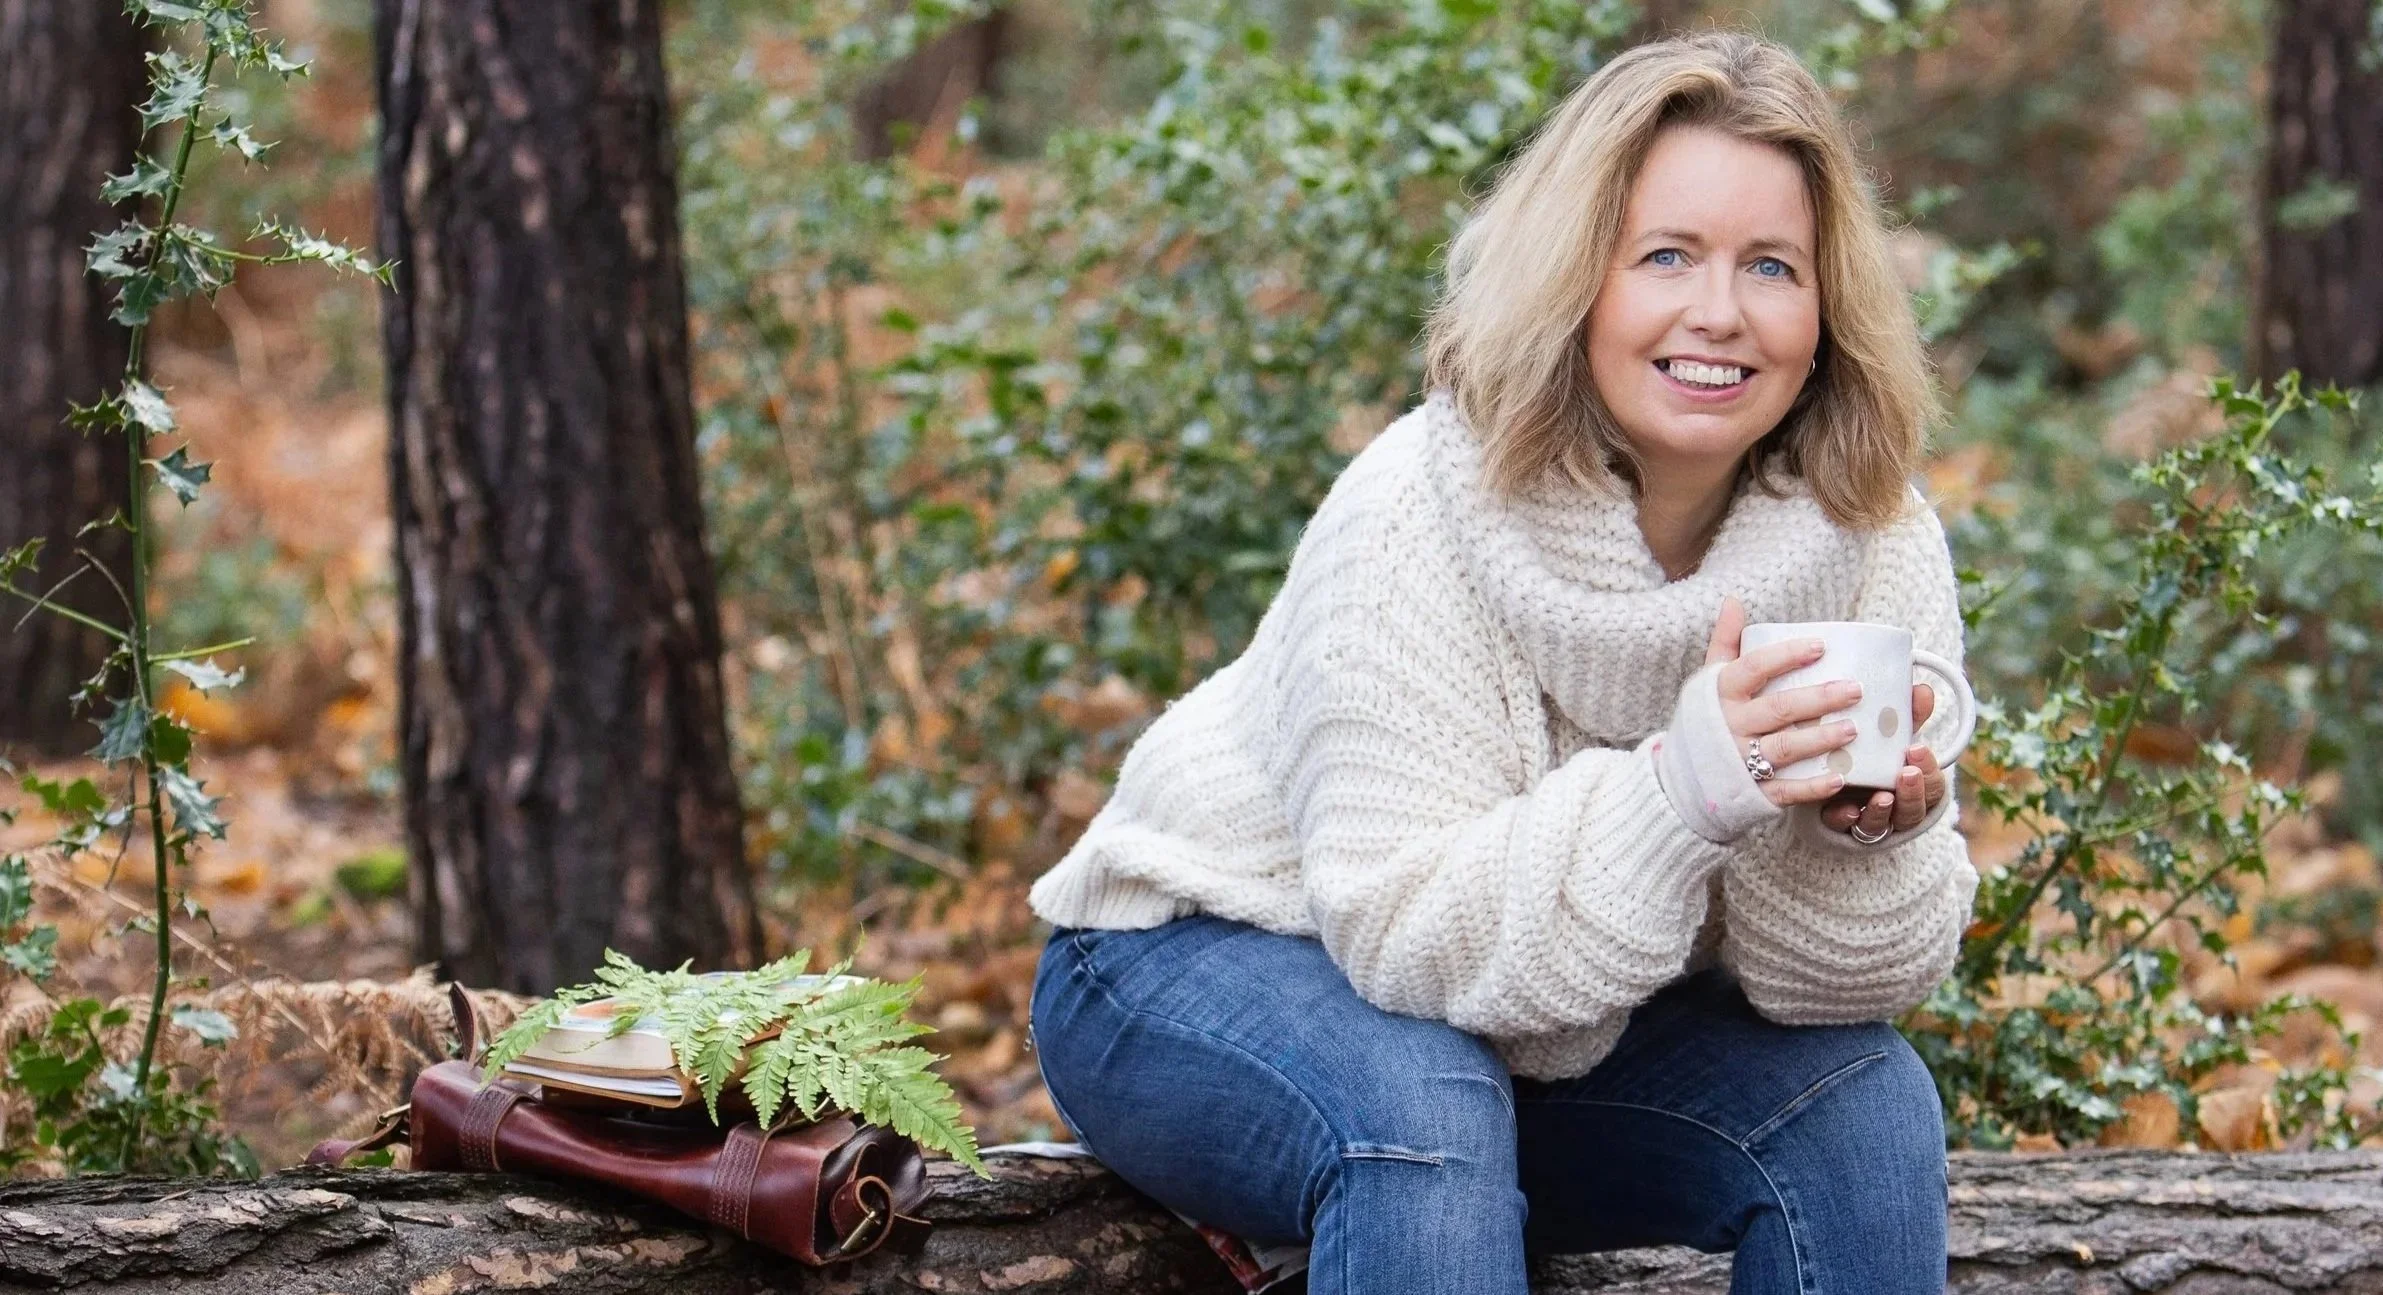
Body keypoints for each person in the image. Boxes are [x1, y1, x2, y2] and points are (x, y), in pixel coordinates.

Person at [1025, 28, 1977, 1295]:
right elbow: (1403, 932)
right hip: (1200, 953)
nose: (1719, 312)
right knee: (1423, 1109)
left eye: (1771, 265)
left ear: (1824, 310)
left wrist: (1865, 834)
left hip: (1538, 1025)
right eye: (1665, 256)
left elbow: (1841, 991)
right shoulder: (1419, 507)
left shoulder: (1870, 531)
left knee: (1861, 1107)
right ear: (1577, 279)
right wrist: (1685, 787)